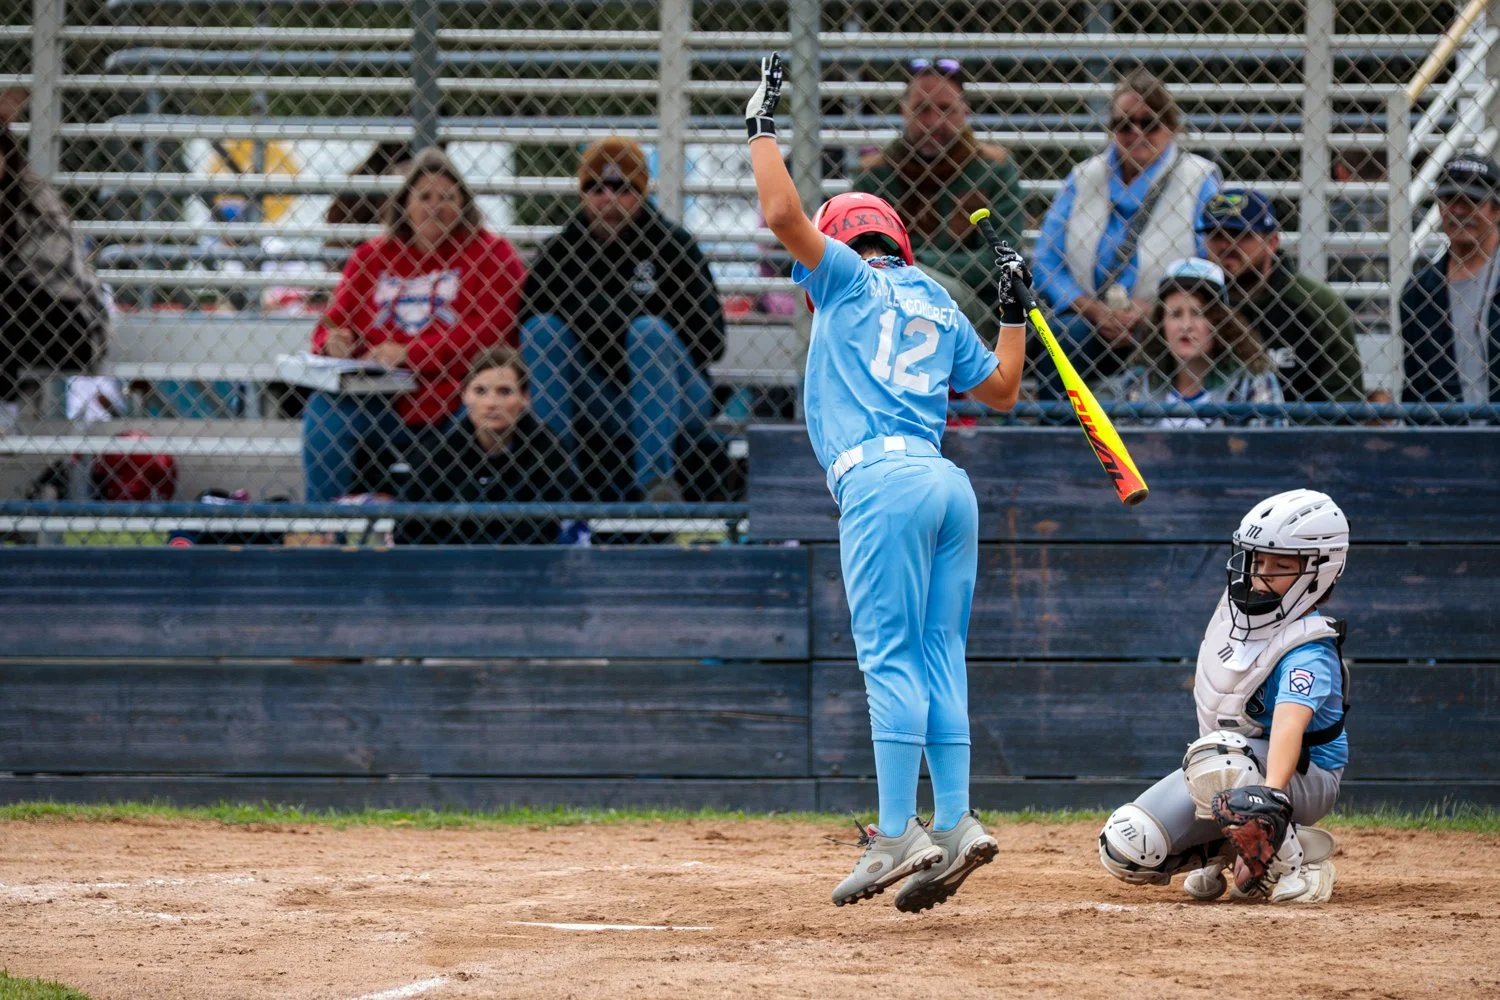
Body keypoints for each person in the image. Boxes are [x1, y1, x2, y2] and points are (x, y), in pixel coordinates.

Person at [747, 54, 1028, 912]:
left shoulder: (846, 277)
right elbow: (1003, 389)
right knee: (940, 655)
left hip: (880, 483)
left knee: (889, 659)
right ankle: (957, 819)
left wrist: (760, 130)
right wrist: (1013, 310)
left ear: (847, 240)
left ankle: (898, 833)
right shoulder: (937, 297)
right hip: (947, 485)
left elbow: (780, 212)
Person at [1098, 489, 1350, 905]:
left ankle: (1296, 865)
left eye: (1280, 565)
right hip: (1233, 764)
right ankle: (1230, 852)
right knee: (1128, 846)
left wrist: (1268, 801)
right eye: (1258, 561)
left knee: (1220, 756)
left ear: (1318, 571)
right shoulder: (1235, 617)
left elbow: (1288, 728)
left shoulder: (1309, 650)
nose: (1262, 574)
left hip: (1305, 777)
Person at [305, 147, 526, 501]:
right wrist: (332, 342)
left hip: (458, 398)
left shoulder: (493, 254)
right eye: (424, 197)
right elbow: (331, 323)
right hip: (381, 400)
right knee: (325, 411)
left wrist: (411, 353)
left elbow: (492, 330)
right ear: (405, 204)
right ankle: (323, 520)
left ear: (464, 205)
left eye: (447, 198)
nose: (435, 207)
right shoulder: (370, 257)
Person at [521, 137, 725, 502]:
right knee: (541, 331)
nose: (609, 199)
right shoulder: (560, 251)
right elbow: (529, 324)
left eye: (623, 188)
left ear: (642, 192)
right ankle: (554, 478)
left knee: (649, 333)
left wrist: (606, 318)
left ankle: (656, 482)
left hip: (676, 398)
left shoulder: (674, 245)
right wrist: (621, 315)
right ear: (582, 194)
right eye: (596, 188)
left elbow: (712, 341)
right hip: (597, 395)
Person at [1034, 69, 1220, 392]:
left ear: (1171, 127)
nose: (1136, 133)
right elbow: (1045, 261)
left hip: (1162, 318)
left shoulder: (1199, 178)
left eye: (1149, 123)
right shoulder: (1084, 177)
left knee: (1174, 334)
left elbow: (1210, 260)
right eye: (1123, 125)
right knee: (1062, 335)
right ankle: (1063, 421)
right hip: (1090, 319)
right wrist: (1093, 310)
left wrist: (1155, 310)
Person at [850, 57, 1024, 329]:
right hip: (889, 304)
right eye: (922, 109)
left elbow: (1001, 259)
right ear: (904, 111)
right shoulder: (875, 173)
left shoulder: (994, 168)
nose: (933, 122)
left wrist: (918, 265)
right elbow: (860, 256)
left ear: (965, 112)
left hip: (977, 311)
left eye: (945, 109)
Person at [356, 348, 581, 545]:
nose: (491, 403)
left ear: (525, 398)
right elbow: (411, 531)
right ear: (464, 396)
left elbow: (549, 529)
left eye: (504, 391)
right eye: (480, 391)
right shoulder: (437, 455)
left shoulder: (548, 450)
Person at [1199, 188, 1365, 405]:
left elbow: (1346, 403)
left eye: (1241, 234)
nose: (1226, 245)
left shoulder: (1316, 305)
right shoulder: (1191, 305)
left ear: (1272, 242)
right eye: (1216, 235)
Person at [0, 119, 110, 432]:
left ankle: (4, 411)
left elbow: (46, 273)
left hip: (65, 322)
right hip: (13, 331)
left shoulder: (33, 197)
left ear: (8, 154)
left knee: (5, 294)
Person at [1102, 257, 1283, 427]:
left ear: (1220, 321)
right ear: (1161, 323)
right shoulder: (1138, 383)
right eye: (1175, 314)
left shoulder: (1252, 382)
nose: (1186, 326)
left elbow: (1270, 446)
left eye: (1198, 313)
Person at [1400, 152, 1500, 415]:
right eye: (1449, 199)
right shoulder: (1418, 292)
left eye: (1472, 200)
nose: (1458, 211)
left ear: (1497, 209)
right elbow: (1415, 387)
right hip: (1448, 435)